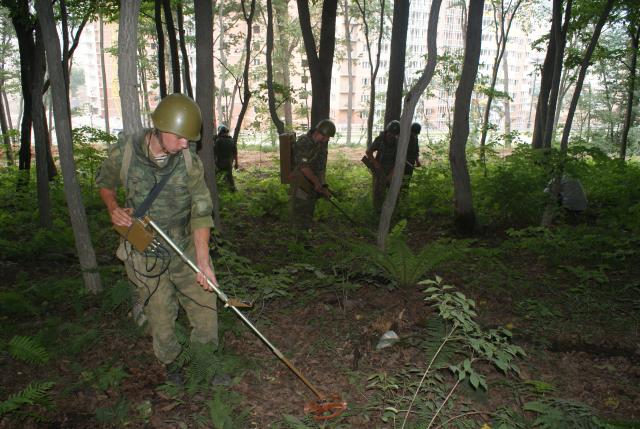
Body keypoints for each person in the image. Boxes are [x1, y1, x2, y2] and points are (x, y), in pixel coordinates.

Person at [96, 93, 218, 381]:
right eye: (181, 138)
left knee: (205, 306)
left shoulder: (189, 163)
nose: (186, 144)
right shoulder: (126, 152)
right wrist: (113, 209)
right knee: (160, 313)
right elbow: (105, 183)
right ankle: (172, 363)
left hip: (184, 242)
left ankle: (204, 362)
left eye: (190, 138)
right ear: (160, 129)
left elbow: (201, 210)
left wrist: (203, 261)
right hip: (145, 246)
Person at [289, 119, 336, 229]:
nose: (327, 139)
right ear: (319, 133)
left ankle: (306, 230)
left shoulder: (321, 144)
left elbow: (321, 166)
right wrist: (316, 182)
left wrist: (323, 185)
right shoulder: (303, 143)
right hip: (300, 180)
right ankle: (296, 235)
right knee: (299, 207)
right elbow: (303, 167)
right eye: (326, 137)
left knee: (309, 206)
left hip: (312, 180)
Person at [365, 120, 401, 212]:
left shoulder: (398, 143)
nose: (392, 136)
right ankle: (377, 212)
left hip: (393, 170)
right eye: (390, 133)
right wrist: (375, 163)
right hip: (380, 169)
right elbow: (368, 152)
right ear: (387, 131)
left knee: (394, 192)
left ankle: (393, 211)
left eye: (394, 134)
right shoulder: (380, 139)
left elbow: (399, 161)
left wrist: (391, 174)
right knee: (378, 192)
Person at [214, 124, 238, 191]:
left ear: (220, 132)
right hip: (229, 163)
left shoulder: (218, 141)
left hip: (220, 163)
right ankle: (232, 189)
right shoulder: (231, 140)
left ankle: (218, 189)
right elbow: (235, 153)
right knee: (230, 177)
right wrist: (236, 163)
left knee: (216, 176)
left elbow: (214, 153)